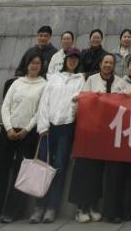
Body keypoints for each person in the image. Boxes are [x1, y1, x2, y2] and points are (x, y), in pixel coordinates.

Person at [0, 56, 47, 224]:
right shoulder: (16, 83)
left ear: (41, 66)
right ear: (26, 65)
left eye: (38, 63)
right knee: (0, 169)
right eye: (32, 63)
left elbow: (40, 111)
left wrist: (27, 129)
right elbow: (6, 105)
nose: (34, 66)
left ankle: (12, 212)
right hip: (9, 131)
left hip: (28, 133)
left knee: (21, 172)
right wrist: (9, 128)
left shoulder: (44, 85)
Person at [31, 48, 85, 224]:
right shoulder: (54, 78)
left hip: (66, 126)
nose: (72, 61)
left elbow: (80, 103)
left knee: (60, 166)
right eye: (70, 58)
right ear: (65, 60)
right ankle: (39, 206)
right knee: (43, 164)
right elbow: (44, 102)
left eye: (75, 59)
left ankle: (52, 207)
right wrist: (43, 126)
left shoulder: (80, 80)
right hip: (48, 127)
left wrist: (74, 107)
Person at [68, 53, 117, 222]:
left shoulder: (119, 82)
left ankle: (93, 205)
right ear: (100, 64)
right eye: (105, 62)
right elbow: (83, 100)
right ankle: (81, 207)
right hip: (89, 132)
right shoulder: (91, 80)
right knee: (85, 168)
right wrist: (80, 100)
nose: (108, 65)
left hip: (108, 133)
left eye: (111, 63)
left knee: (99, 170)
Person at [102, 55, 131, 223]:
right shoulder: (120, 82)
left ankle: (127, 211)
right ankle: (111, 211)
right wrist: (121, 94)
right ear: (128, 67)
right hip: (119, 134)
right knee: (115, 174)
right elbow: (111, 100)